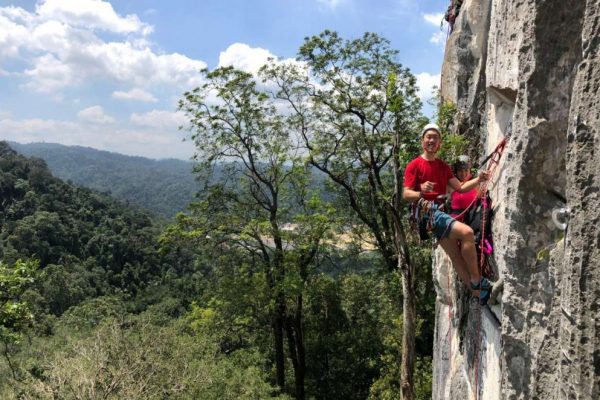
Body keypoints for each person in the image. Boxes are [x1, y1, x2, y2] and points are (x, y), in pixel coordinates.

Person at [402, 123, 492, 305]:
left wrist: (478, 179)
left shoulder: (443, 167)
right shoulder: (414, 166)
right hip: (428, 212)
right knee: (466, 233)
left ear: (439, 143)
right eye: (428, 137)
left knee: (456, 256)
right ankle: (477, 280)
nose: (431, 141)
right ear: (422, 141)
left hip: (439, 212)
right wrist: (421, 191)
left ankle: (478, 294)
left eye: (435, 138)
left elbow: (460, 187)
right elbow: (405, 194)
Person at [449, 155, 478, 221]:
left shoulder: (475, 184)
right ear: (456, 172)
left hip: (473, 217)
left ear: (470, 171)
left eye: (466, 170)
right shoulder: (451, 185)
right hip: (456, 219)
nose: (463, 173)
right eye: (460, 171)